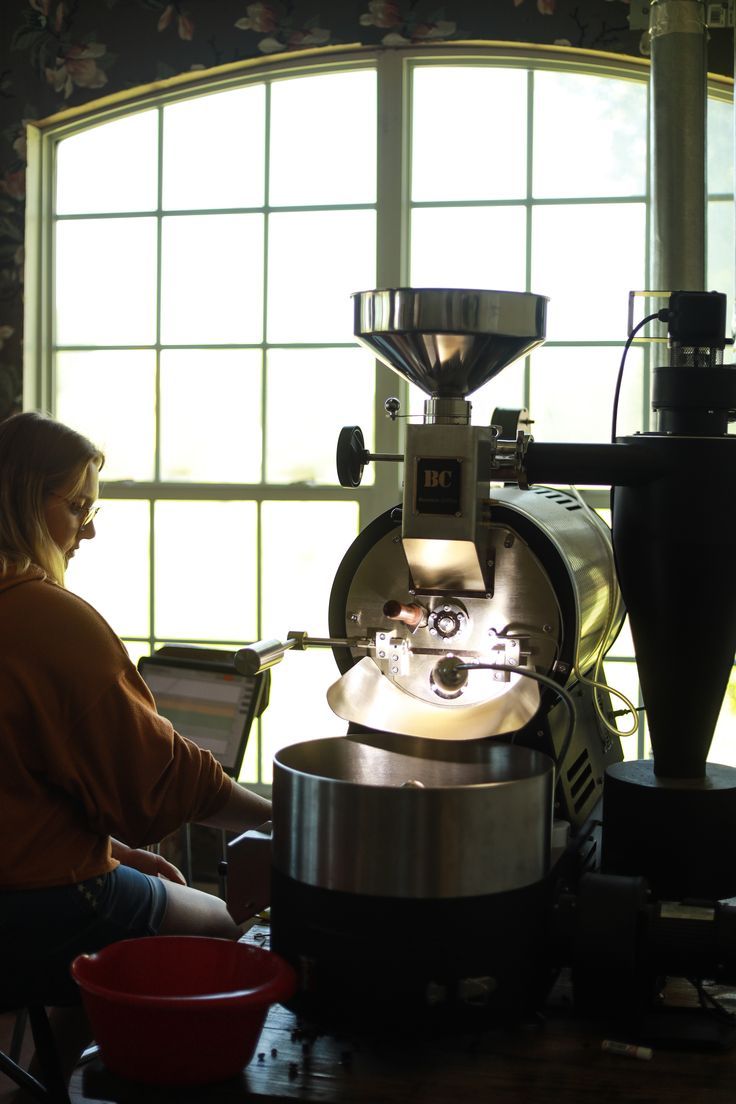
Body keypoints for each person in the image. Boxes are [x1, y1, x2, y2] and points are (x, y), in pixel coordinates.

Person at [0, 410, 272, 1084]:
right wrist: (278, 814)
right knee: (209, 921)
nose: (89, 528)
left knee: (140, 885)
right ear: (24, 500)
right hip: (30, 908)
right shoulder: (47, 620)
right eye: (79, 505)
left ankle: (50, 1082)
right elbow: (162, 783)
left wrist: (110, 850)